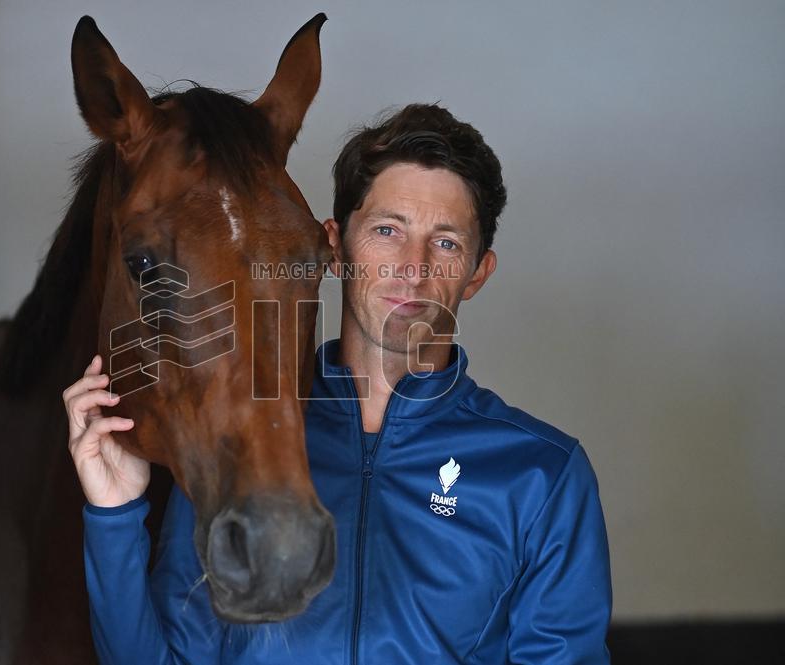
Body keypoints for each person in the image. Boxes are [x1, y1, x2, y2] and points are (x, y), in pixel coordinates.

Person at [63, 104, 612, 664]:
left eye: (445, 242)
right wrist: (115, 515)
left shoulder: (543, 474)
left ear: (478, 272)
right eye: (387, 231)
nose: (414, 267)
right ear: (336, 249)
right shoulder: (244, 437)